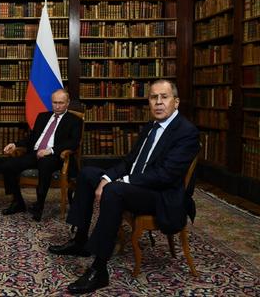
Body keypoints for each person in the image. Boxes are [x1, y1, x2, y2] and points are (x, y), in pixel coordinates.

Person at [48, 79, 200, 294]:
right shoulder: (151, 127)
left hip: (161, 195)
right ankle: (80, 240)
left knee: (114, 190)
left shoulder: (186, 132)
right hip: (139, 185)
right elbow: (129, 162)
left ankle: (99, 270)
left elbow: (165, 176)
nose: (158, 103)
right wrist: (108, 177)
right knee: (88, 173)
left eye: (164, 97)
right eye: (153, 97)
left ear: (176, 102)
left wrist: (119, 182)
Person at [0, 89, 83, 221]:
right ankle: (17, 202)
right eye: (55, 102)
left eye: (61, 103)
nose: (57, 106)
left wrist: (51, 150)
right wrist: (15, 144)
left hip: (55, 157)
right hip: (35, 153)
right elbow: (31, 138)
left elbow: (74, 142)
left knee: (45, 163)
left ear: (67, 103)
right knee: (7, 166)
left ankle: (39, 206)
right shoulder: (42, 116)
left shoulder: (74, 120)